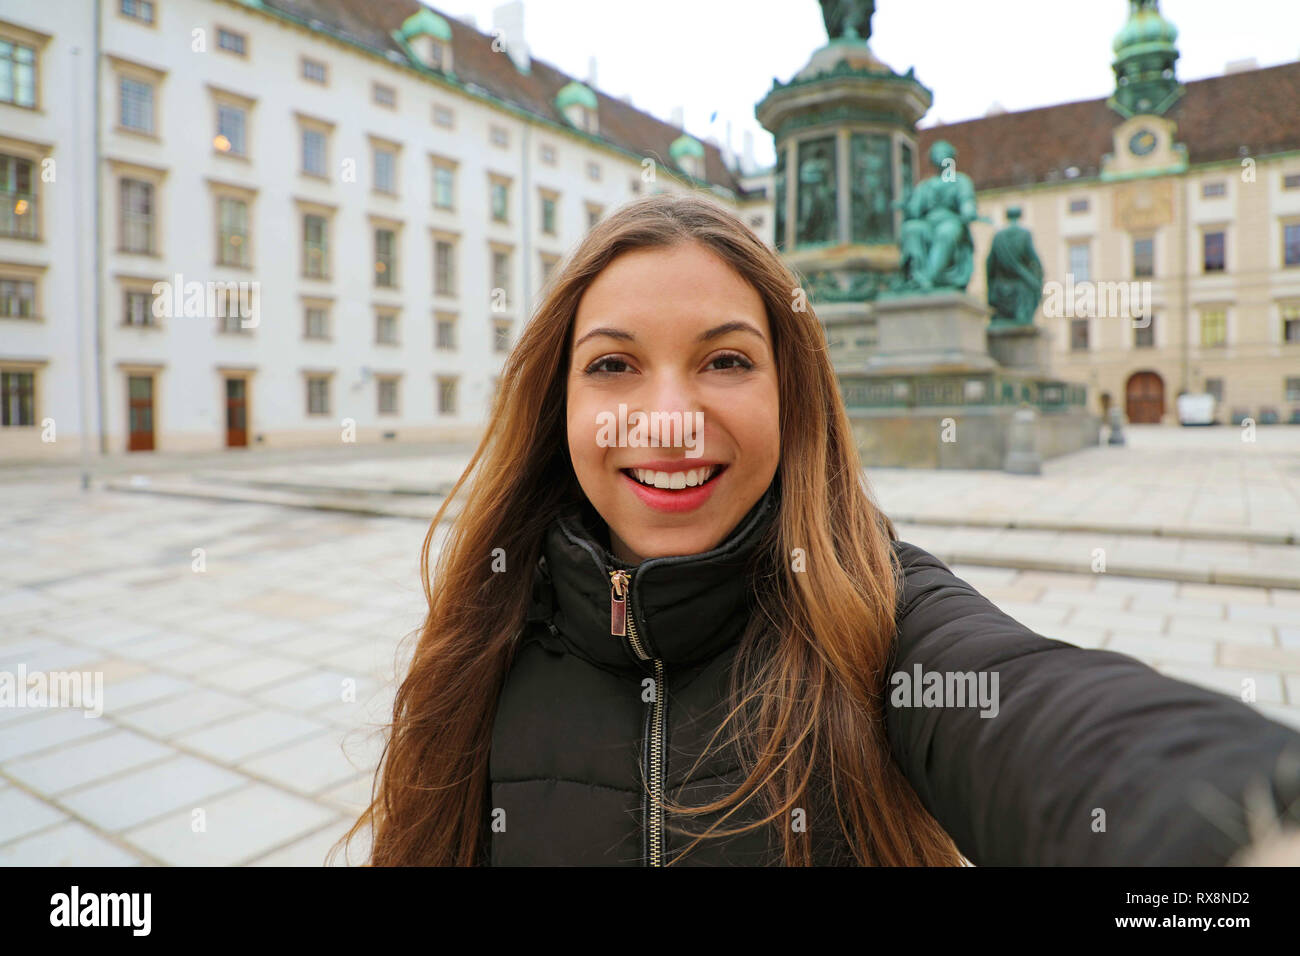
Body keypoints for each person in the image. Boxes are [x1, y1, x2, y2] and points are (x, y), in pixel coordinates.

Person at [340, 193, 1300, 866]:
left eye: (724, 361)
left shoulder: (877, 613)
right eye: (614, 366)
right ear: (557, 398)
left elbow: (1033, 707)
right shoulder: (483, 628)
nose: (669, 418)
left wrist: (1235, 823)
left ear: (792, 395)